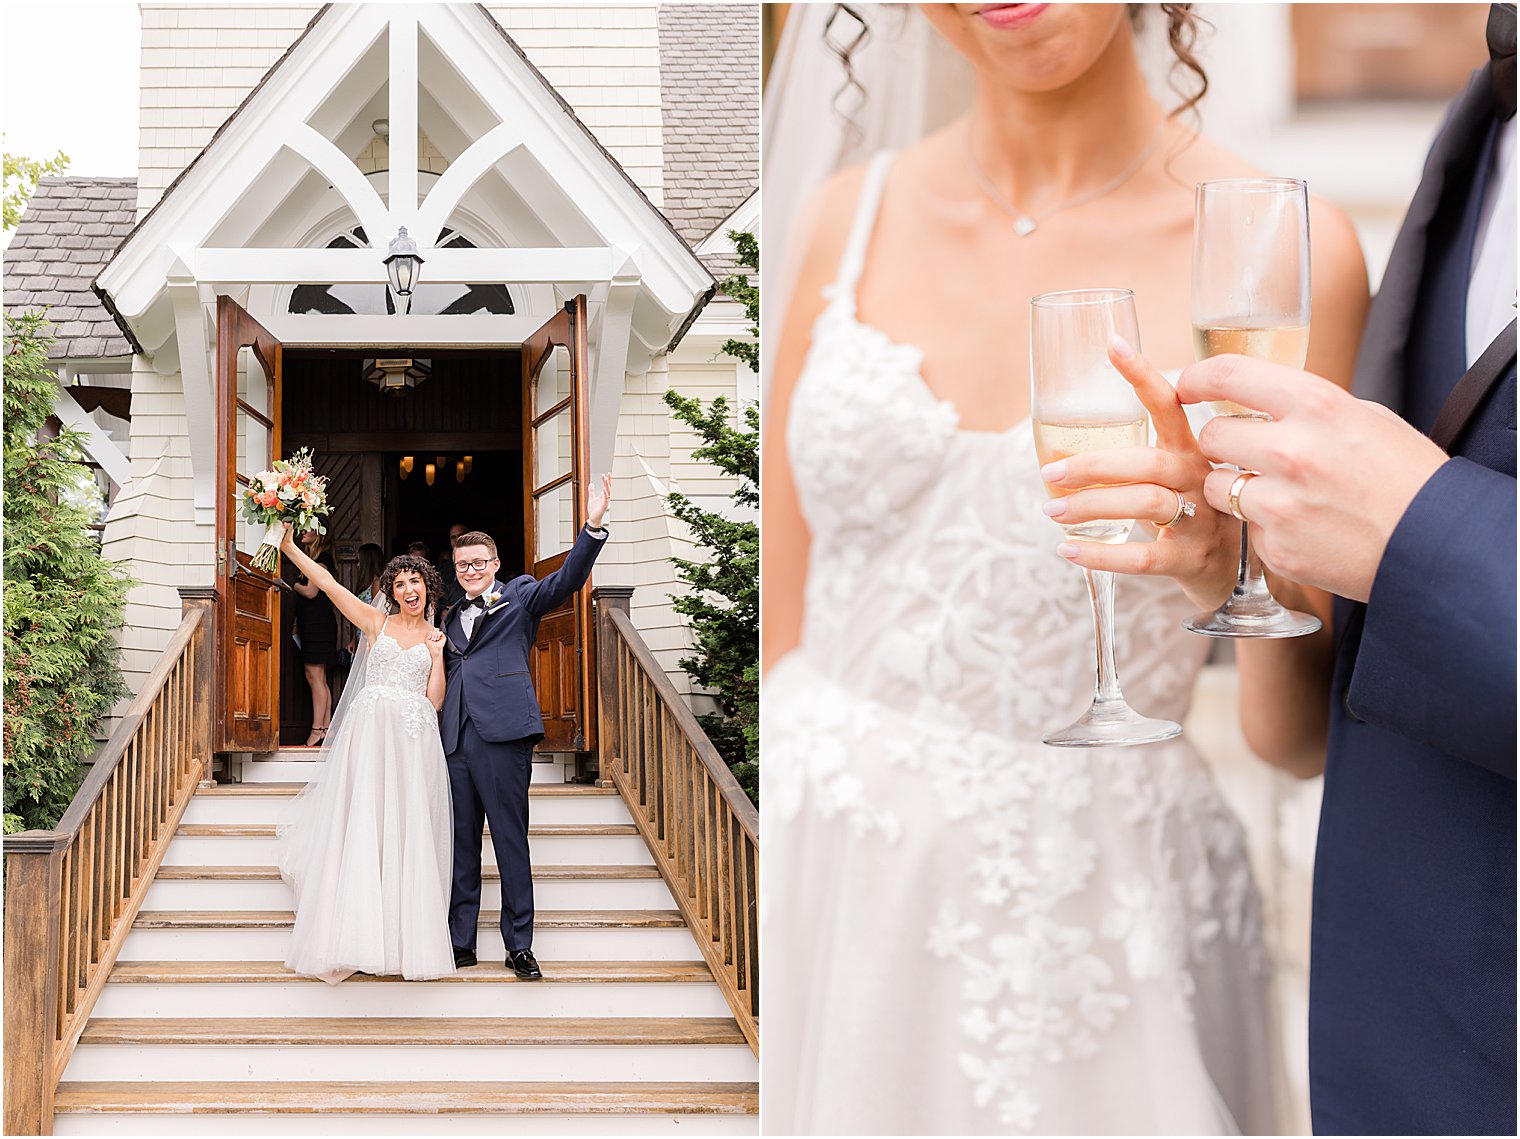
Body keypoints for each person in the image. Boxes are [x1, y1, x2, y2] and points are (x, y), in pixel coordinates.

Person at [760, 4, 1369, 1133]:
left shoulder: (1280, 247)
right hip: (827, 877)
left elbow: (1296, 739)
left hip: (1092, 913)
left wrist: (1215, 568)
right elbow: (778, 628)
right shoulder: (839, 219)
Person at [1071, 6, 1516, 1130]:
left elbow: (1415, 539)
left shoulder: (1301, 232)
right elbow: (1322, 714)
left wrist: (1420, 526)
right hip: (1404, 1051)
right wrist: (1228, 565)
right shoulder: (1478, 123)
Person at [440, 474, 612, 981]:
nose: (469, 571)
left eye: (478, 563)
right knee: (460, 843)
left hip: (504, 735)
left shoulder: (519, 596)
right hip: (456, 740)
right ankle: (460, 942)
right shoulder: (449, 615)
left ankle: (519, 946)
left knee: (511, 840)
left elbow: (566, 582)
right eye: (461, 565)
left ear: (494, 565)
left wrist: (592, 527)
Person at [276, 531, 454, 984]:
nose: (408, 590)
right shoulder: (376, 623)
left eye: (415, 581)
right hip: (372, 733)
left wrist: (436, 657)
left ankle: (398, 938)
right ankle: (352, 938)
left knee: (405, 827)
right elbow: (331, 587)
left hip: (413, 740)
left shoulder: (437, 636)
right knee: (365, 822)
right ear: (390, 591)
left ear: (428, 587)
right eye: (399, 584)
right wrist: (292, 549)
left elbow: (434, 702)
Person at [290, 527, 339, 746]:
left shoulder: (322, 559)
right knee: (317, 678)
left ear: (320, 533)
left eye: (308, 529)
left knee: (315, 677)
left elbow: (311, 591)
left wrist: (294, 586)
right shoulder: (314, 558)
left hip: (318, 625)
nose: (302, 533)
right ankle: (325, 729)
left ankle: (317, 729)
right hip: (313, 624)